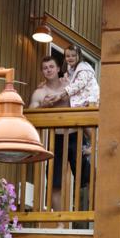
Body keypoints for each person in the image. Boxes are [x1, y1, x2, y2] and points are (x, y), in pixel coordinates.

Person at [29, 56, 89, 212]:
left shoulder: (69, 85)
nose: (48, 70)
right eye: (45, 68)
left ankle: (89, 215)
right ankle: (61, 221)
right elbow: (30, 115)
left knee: (87, 179)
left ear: (57, 69)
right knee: (55, 182)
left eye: (51, 67)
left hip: (77, 136)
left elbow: (87, 99)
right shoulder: (40, 92)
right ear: (42, 71)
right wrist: (44, 105)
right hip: (57, 139)